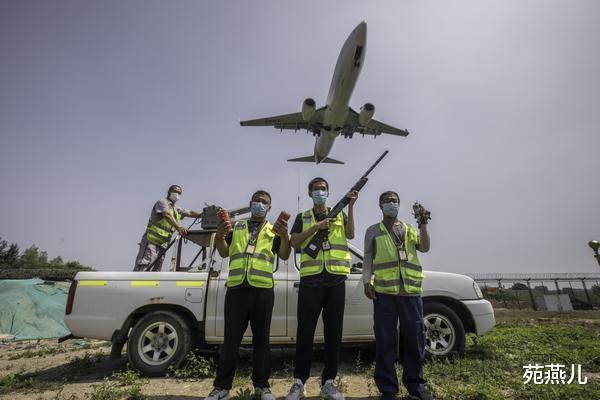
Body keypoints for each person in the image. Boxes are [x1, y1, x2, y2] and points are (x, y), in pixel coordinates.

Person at [206, 190, 291, 400]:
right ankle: (221, 388)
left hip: (262, 290)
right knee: (230, 341)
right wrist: (219, 235)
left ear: (269, 208)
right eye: (257, 201)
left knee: (262, 341)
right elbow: (224, 252)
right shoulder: (237, 226)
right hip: (236, 289)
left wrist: (285, 235)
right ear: (250, 203)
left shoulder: (273, 230)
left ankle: (262, 387)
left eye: (264, 203)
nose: (260, 205)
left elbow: (285, 254)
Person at [285, 177, 358, 400]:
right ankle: (299, 381)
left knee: (333, 334)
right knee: (305, 333)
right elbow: (294, 242)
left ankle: (328, 383)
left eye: (323, 189)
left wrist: (351, 206)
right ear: (310, 193)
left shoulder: (338, 213)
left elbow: (351, 234)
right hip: (311, 282)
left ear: (328, 192)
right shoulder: (303, 217)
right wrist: (316, 227)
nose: (320, 192)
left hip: (335, 281)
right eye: (316, 189)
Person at [362, 191, 433, 400]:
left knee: (415, 338)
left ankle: (416, 385)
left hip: (410, 292)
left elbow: (425, 247)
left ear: (400, 204)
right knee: (385, 339)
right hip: (384, 293)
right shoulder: (373, 231)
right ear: (380, 206)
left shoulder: (410, 229)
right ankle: (388, 388)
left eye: (394, 201)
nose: (391, 204)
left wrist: (423, 224)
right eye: (387, 201)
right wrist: (367, 282)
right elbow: (367, 258)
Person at [133, 185, 201, 271]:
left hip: (163, 245)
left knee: (156, 271)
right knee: (144, 268)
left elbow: (190, 213)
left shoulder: (176, 209)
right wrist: (179, 227)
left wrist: (202, 215)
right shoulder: (162, 202)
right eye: (175, 191)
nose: (177, 194)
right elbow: (167, 215)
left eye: (179, 193)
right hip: (151, 243)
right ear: (169, 192)